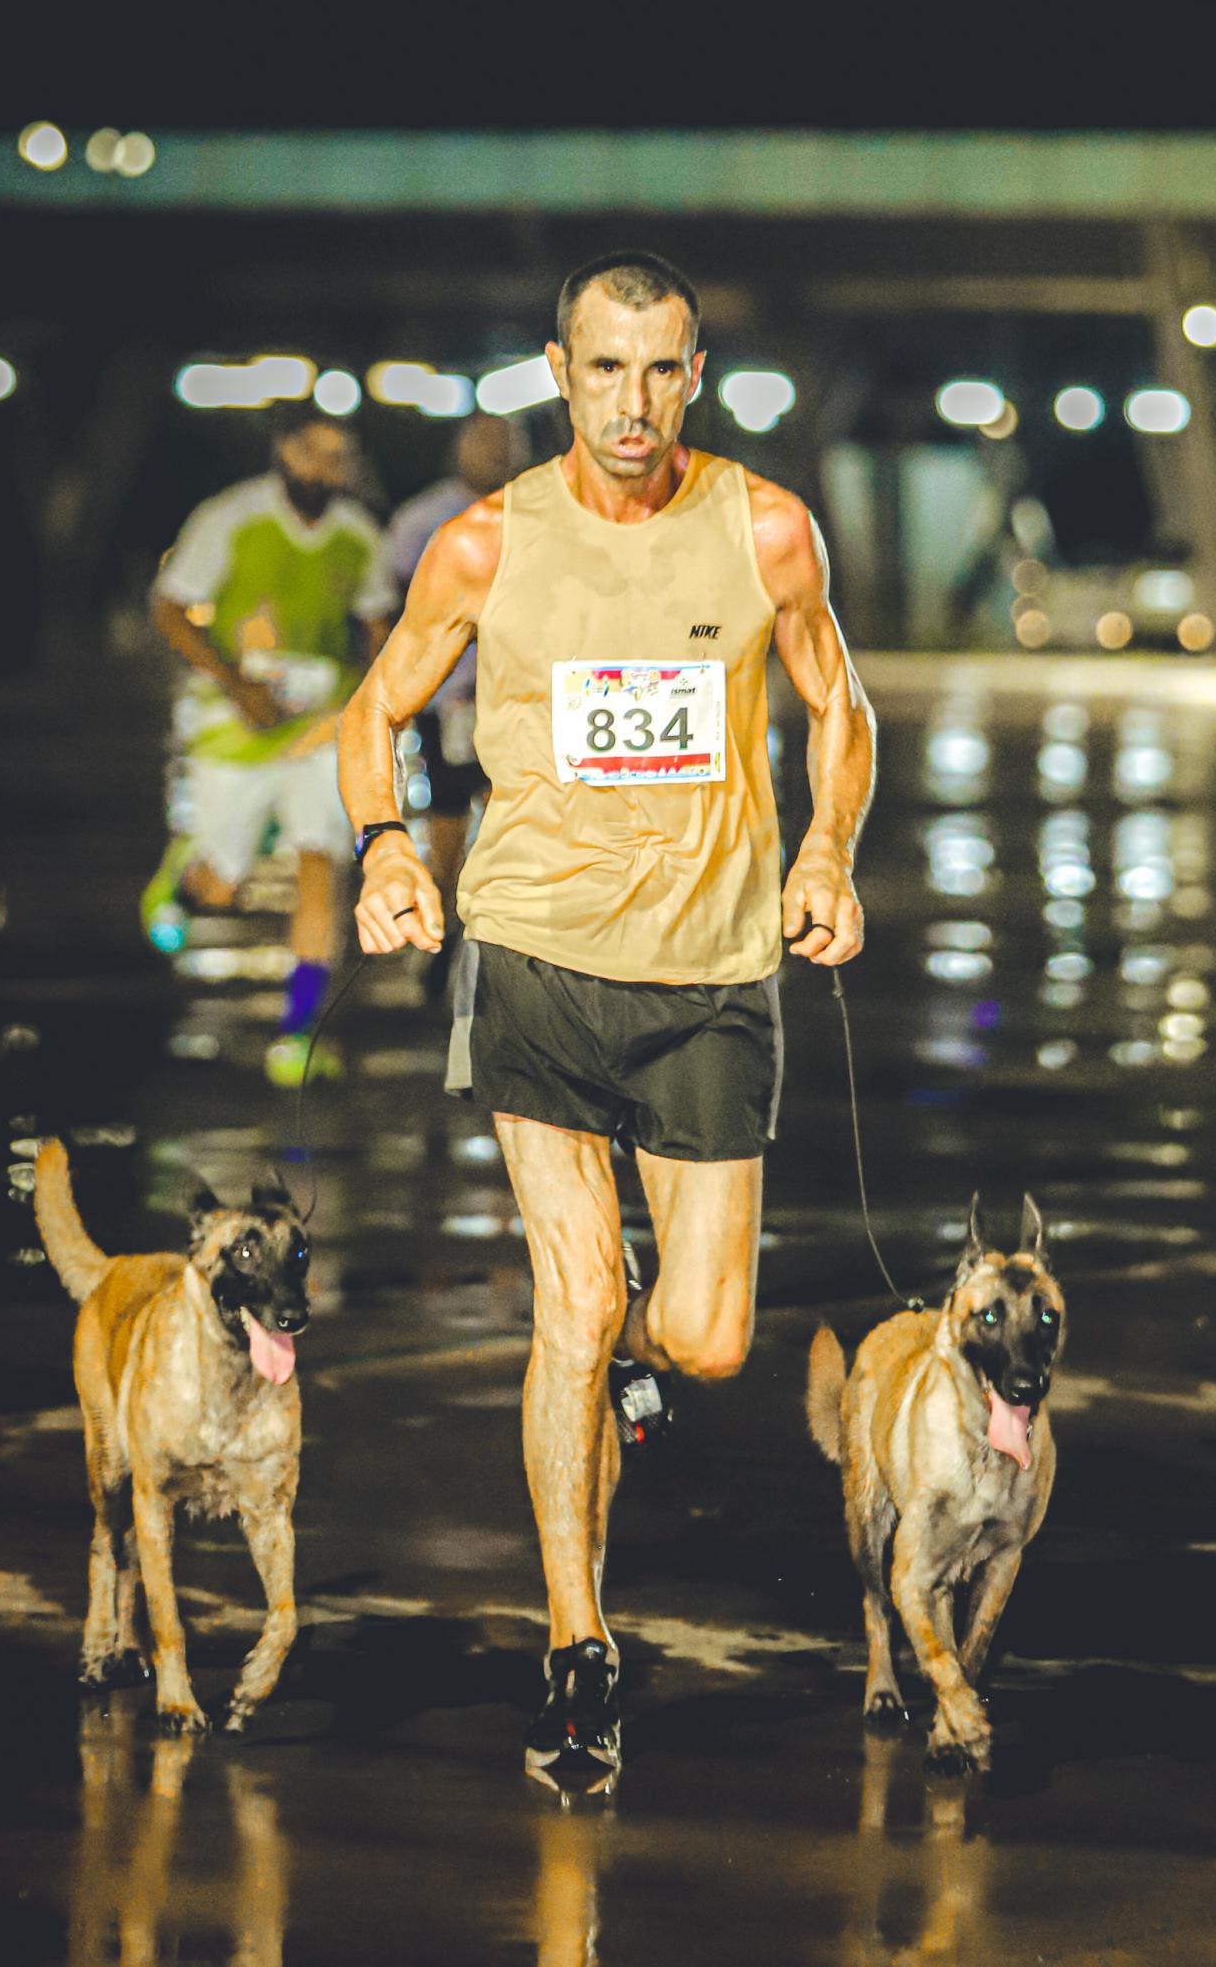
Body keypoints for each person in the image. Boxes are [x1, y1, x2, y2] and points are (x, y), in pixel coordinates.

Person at [338, 251, 875, 1784]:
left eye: (659, 370)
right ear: (559, 373)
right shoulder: (486, 542)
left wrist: (828, 848)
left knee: (704, 1336)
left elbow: (838, 703)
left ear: (694, 375)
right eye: (603, 369)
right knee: (570, 1301)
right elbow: (372, 712)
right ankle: (577, 1643)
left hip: (712, 974)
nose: (631, 403)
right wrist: (387, 846)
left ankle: (645, 1346)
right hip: (537, 957)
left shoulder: (766, 529)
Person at [144, 417, 395, 1085]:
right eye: (313, 452)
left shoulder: (359, 535)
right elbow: (168, 608)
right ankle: (186, 874)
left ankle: (298, 1030)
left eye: (339, 457)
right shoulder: (230, 518)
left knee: (321, 866)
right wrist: (236, 683)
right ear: (284, 452)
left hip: (318, 725)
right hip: (235, 726)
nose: (325, 468)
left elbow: (376, 624)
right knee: (223, 887)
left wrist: (373, 704)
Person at [381, 413, 527, 942]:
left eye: (504, 445)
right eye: (483, 444)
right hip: (449, 698)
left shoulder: (538, 512)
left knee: (515, 814)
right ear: (459, 451)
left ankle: (503, 932)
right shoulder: (423, 519)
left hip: (520, 695)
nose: (494, 455)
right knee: (448, 817)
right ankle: (442, 933)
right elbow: (393, 607)